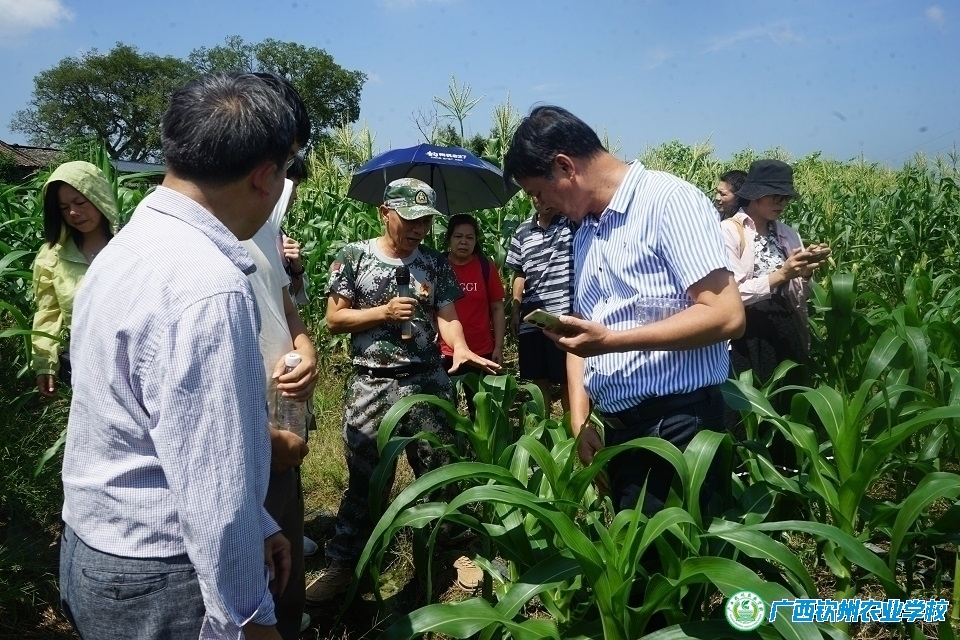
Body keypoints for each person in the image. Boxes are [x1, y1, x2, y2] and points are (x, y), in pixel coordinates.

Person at [58, 73, 298, 640]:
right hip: (163, 575)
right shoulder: (208, 287)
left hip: (96, 546)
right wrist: (252, 621)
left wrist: (259, 521)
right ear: (264, 176)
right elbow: (215, 498)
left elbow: (157, 429)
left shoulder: (126, 247)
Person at [503, 105, 745, 515]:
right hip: (620, 431)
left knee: (686, 551)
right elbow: (584, 333)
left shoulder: (668, 202)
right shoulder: (587, 231)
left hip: (679, 429)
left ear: (564, 167)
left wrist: (613, 341)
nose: (542, 204)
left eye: (538, 193)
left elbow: (726, 314)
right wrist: (580, 421)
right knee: (639, 553)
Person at [306, 178, 499, 603]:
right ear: (385, 213)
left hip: (427, 378)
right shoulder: (353, 257)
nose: (418, 229)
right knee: (366, 475)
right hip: (372, 381)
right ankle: (346, 562)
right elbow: (334, 320)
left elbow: (447, 314)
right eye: (410, 219)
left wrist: (460, 346)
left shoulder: (433, 262)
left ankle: (452, 548)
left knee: (441, 467)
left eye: (425, 221)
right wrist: (384, 312)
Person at [246, 72, 317, 639]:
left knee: (285, 539)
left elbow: (286, 302)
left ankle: (289, 621)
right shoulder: (202, 251)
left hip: (281, 415)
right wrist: (265, 441)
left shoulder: (266, 226)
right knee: (258, 568)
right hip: (253, 440)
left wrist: (306, 345)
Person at [721, 159, 829, 423]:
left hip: (783, 330)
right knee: (747, 414)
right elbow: (730, 295)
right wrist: (782, 274)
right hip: (746, 335)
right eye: (776, 196)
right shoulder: (728, 232)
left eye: (786, 197)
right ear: (756, 194)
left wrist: (805, 272)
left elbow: (798, 297)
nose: (782, 203)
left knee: (788, 409)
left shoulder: (788, 234)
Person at [31, 161, 118, 397]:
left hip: (136, 356)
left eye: (80, 202)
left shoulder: (130, 246)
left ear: (99, 196)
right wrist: (45, 363)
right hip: (85, 363)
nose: (73, 212)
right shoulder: (52, 256)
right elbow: (48, 312)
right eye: (64, 207)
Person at [505, 195, 575, 415]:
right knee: (538, 379)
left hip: (564, 316)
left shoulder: (571, 223)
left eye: (544, 194)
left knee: (568, 378)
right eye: (535, 195)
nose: (540, 200)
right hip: (532, 318)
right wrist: (515, 310)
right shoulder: (522, 231)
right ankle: (543, 428)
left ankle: (573, 429)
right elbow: (519, 273)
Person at [440, 213, 506, 413]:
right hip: (445, 351)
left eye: (469, 237)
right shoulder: (438, 266)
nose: (463, 242)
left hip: (480, 351)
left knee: (481, 411)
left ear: (476, 241)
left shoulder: (485, 267)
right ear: (449, 238)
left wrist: (498, 347)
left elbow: (497, 308)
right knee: (445, 409)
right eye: (458, 236)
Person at [281, 155, 309, 304]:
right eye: (295, 187)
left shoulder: (280, 234)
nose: (296, 196)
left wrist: (296, 267)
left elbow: (293, 296)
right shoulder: (249, 233)